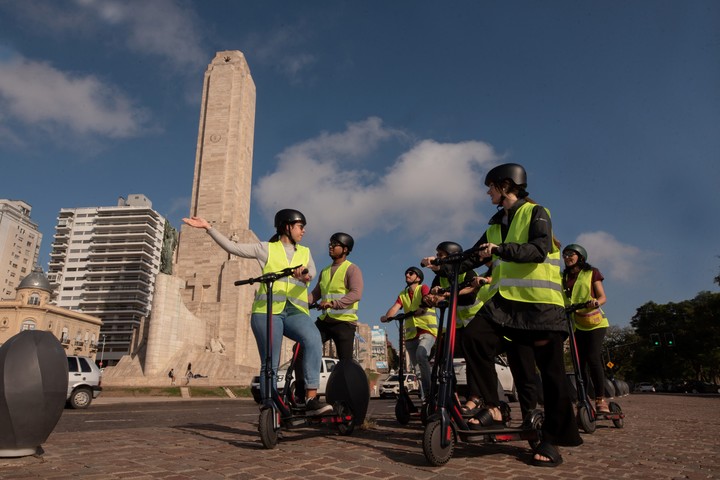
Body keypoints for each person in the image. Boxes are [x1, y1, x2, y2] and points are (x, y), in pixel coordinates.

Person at [423, 163, 582, 467]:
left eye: (491, 187)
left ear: (506, 186)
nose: (488, 192)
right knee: (473, 338)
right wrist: (442, 265)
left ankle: (551, 440)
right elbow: (472, 255)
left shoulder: (537, 213)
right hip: (506, 307)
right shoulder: (496, 223)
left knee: (550, 376)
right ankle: (493, 406)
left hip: (541, 308)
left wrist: (498, 251)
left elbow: (537, 250)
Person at [182, 209, 332, 416]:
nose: (303, 231)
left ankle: (311, 398)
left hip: (295, 311)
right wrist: (209, 228)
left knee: (314, 339)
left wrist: (303, 275)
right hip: (267, 311)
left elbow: (311, 274)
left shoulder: (305, 252)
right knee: (270, 360)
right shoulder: (265, 248)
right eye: (300, 226)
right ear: (287, 227)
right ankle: (269, 405)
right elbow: (233, 247)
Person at [424, 241, 491, 412]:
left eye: (441, 255)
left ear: (452, 256)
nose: (438, 258)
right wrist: (431, 299)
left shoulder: (467, 271)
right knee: (442, 358)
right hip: (455, 324)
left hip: (474, 320)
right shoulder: (439, 276)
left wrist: (445, 293)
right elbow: (433, 294)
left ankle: (475, 398)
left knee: (472, 359)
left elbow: (469, 291)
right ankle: (450, 394)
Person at [294, 232, 364, 397]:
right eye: (330, 244)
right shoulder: (325, 271)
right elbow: (315, 294)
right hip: (325, 322)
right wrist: (298, 302)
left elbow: (356, 293)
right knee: (300, 349)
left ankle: (346, 400)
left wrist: (333, 304)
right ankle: (301, 396)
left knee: (345, 364)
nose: (331, 247)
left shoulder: (352, 269)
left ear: (345, 249)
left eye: (335, 244)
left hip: (345, 324)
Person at [562, 243, 611, 413]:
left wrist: (595, 302)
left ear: (580, 257)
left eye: (571, 254)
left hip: (595, 323)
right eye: (565, 255)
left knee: (593, 358)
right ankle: (584, 397)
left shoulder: (591, 272)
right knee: (578, 363)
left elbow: (602, 296)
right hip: (576, 324)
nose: (567, 257)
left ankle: (600, 399)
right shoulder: (563, 276)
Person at [380, 266, 437, 402]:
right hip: (411, 336)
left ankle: (430, 393)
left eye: (411, 273)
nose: (407, 274)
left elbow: (426, 299)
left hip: (427, 330)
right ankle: (425, 400)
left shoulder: (423, 288)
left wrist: (422, 308)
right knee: (417, 370)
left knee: (421, 355)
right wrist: (387, 317)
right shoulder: (403, 294)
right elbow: (395, 307)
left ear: (418, 277)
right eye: (406, 273)